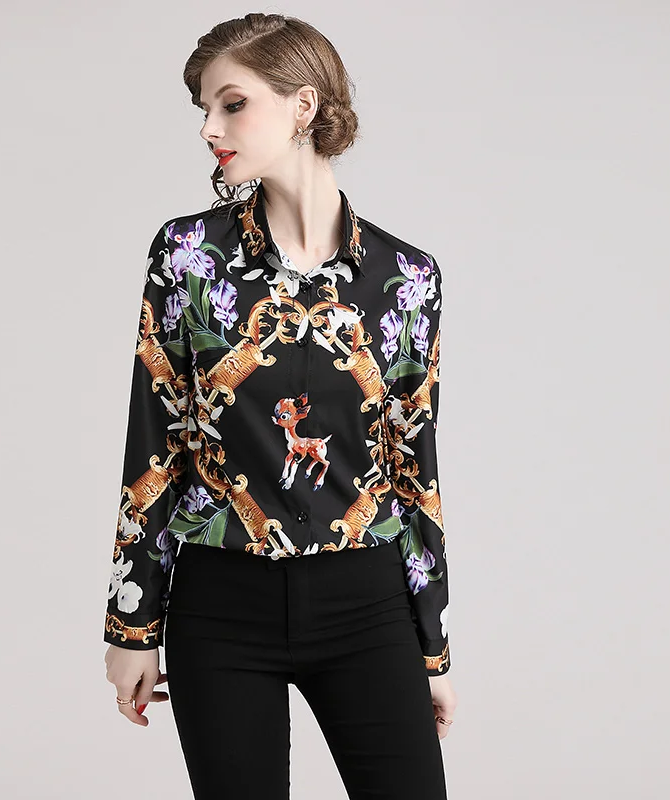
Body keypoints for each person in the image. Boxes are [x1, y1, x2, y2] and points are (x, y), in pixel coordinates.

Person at [104, 12, 458, 799]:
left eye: (232, 105)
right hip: (221, 606)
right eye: (204, 108)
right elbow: (156, 438)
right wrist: (132, 627)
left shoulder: (408, 278)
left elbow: (413, 465)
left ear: (303, 106)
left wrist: (431, 648)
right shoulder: (187, 256)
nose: (209, 128)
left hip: (368, 605)